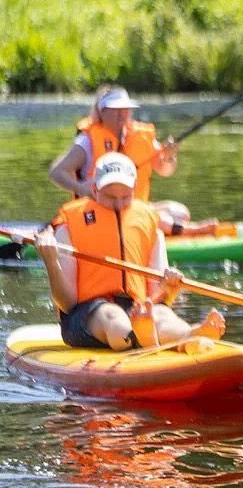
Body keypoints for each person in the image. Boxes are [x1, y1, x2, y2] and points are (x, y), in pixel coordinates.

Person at [34, 152, 226, 352]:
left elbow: (159, 298)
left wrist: (170, 288)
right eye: (110, 197)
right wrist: (51, 261)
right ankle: (139, 338)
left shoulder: (150, 223)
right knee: (112, 315)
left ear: (135, 189)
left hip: (137, 310)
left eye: (126, 197)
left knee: (162, 315)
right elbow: (67, 303)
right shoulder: (69, 226)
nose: (118, 204)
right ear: (94, 188)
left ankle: (188, 335)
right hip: (86, 315)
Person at [46, 85, 222, 237]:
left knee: (180, 212)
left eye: (126, 108)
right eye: (116, 109)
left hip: (132, 204)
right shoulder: (87, 140)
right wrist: (81, 187)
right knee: (154, 216)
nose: (123, 114)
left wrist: (169, 155)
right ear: (102, 112)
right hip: (103, 207)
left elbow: (165, 169)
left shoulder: (139, 136)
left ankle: (170, 227)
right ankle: (195, 231)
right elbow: (56, 172)